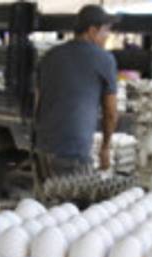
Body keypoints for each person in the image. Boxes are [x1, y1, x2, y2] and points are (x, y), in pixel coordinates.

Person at [33, 5, 119, 183]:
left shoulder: (49, 56)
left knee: (44, 199)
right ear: (92, 31)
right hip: (73, 152)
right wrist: (105, 148)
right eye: (106, 30)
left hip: (42, 149)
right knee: (73, 199)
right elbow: (110, 113)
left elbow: (38, 101)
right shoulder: (105, 60)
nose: (107, 36)